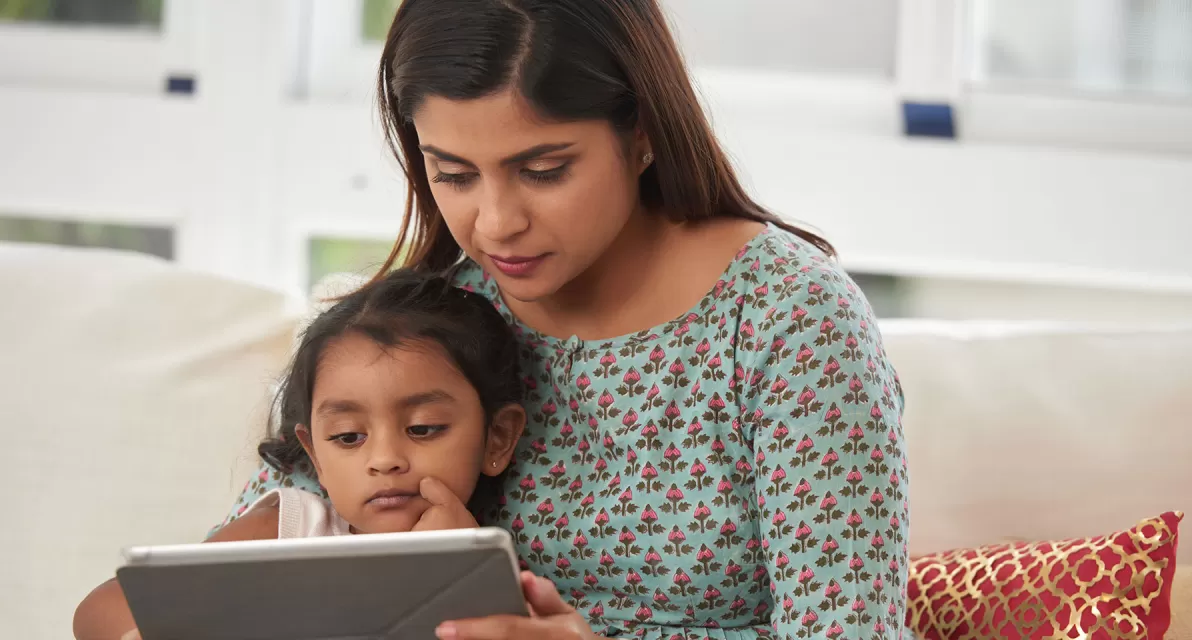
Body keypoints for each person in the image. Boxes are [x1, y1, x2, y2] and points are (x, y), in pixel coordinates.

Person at [77, 0, 910, 638]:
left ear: (644, 130)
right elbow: (225, 580)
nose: (496, 222)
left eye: (543, 169)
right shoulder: (419, 321)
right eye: (453, 173)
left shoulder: (787, 323)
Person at [73, 270, 570, 639]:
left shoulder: (496, 573)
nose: (385, 459)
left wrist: (455, 571)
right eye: (348, 437)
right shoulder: (289, 528)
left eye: (423, 428)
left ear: (497, 439)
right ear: (313, 453)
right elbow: (98, 612)